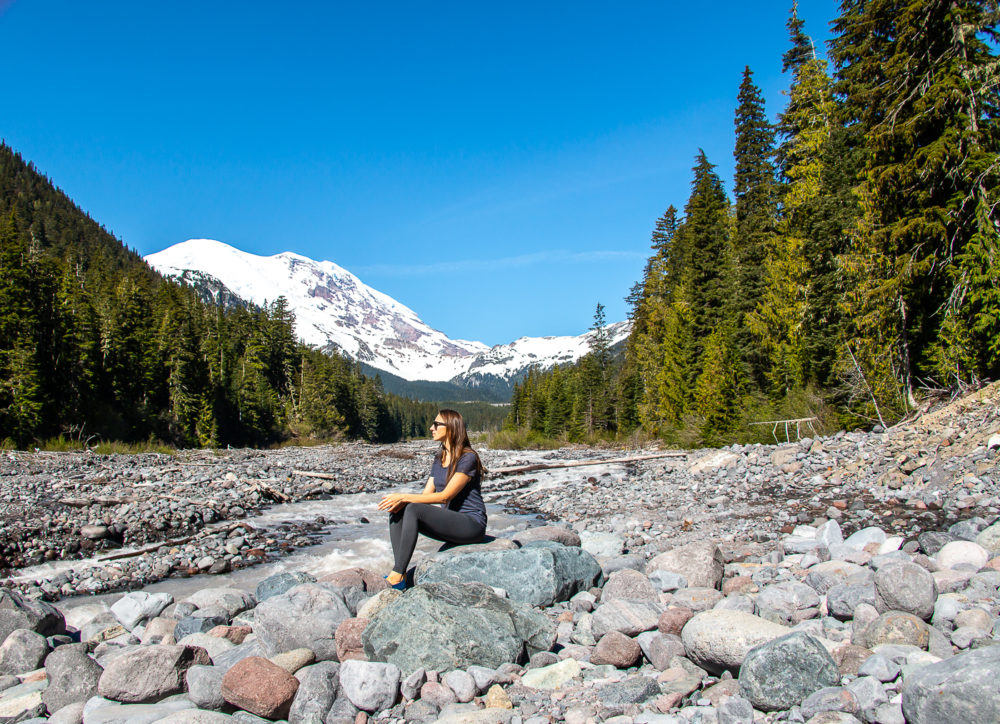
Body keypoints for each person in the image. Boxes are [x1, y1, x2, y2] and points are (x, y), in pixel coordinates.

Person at [377, 409, 487, 589]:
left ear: (451, 428)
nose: (431, 428)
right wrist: (400, 501)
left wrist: (403, 495)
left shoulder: (468, 457)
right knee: (399, 508)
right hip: (451, 523)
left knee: (411, 507)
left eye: (436, 424)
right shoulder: (439, 457)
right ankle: (400, 570)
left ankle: (396, 575)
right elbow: (426, 497)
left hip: (472, 524)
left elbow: (445, 496)